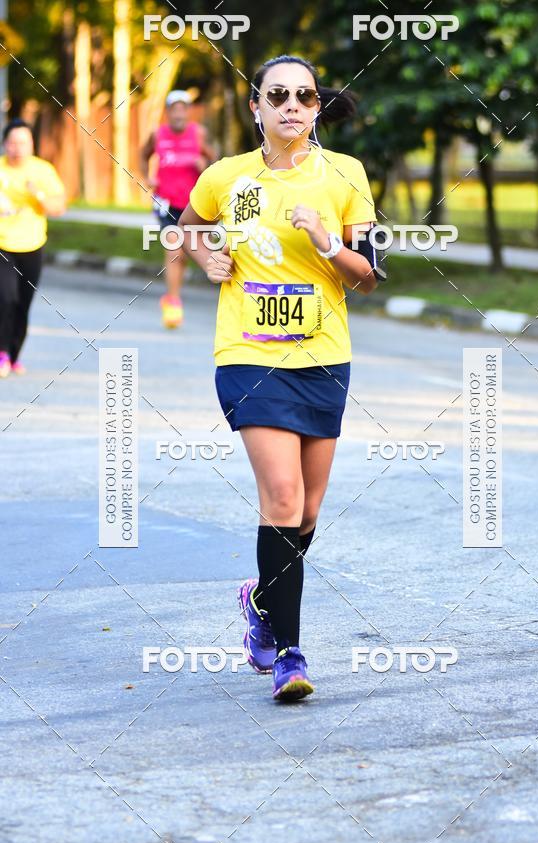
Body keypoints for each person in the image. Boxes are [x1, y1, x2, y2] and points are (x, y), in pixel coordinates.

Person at [178, 55, 382, 701]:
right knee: (285, 496)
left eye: (304, 96)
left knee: (308, 512)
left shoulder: (345, 175)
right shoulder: (225, 176)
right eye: (278, 95)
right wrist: (204, 253)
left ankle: (262, 603)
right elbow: (185, 229)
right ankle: (290, 654)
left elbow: (370, 274)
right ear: (256, 108)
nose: (291, 104)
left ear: (317, 108)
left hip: (324, 356)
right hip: (249, 355)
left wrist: (326, 241)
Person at [140, 90, 216, 329]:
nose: (179, 113)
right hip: (166, 201)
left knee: (185, 251)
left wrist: (204, 164)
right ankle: (173, 301)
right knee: (175, 247)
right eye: (175, 108)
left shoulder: (198, 133)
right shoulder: (157, 134)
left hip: (193, 203)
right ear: (168, 112)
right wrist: (147, 177)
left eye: (184, 108)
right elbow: (143, 156)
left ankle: (172, 294)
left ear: (188, 111)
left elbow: (214, 161)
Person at [0, 119, 66, 378]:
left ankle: (14, 354)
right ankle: (2, 351)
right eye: (13, 142)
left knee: (22, 304)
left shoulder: (43, 171)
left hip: (32, 244)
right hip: (2, 244)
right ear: (5, 144)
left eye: (23, 142)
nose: (18, 148)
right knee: (5, 298)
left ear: (32, 145)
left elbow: (58, 208)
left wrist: (37, 194)